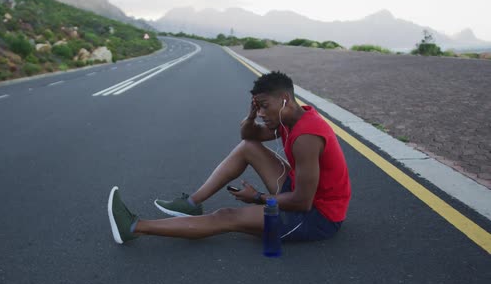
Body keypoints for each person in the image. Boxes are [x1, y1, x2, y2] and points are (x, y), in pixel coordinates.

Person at [108, 71, 351, 244]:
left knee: (227, 216)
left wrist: (257, 198)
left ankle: (135, 227)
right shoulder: (292, 117)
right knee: (248, 146)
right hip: (299, 190)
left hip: (316, 216)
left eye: (265, 106)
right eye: (259, 107)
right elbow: (248, 135)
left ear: (285, 100)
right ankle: (191, 204)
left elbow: (302, 203)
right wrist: (252, 113)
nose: (262, 114)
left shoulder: (307, 137)